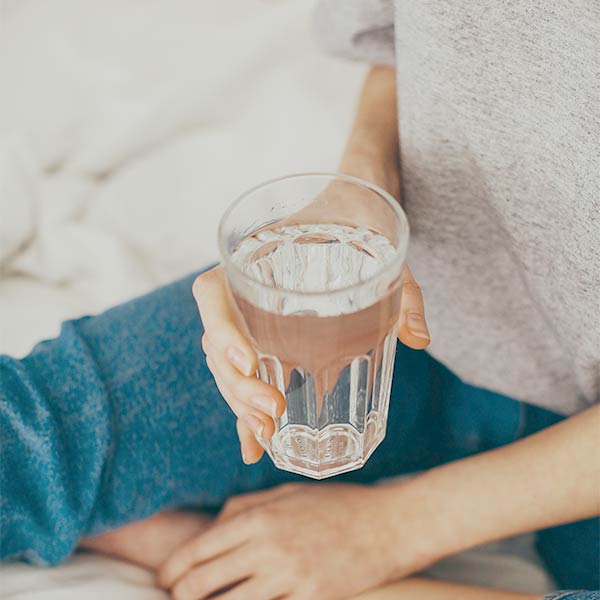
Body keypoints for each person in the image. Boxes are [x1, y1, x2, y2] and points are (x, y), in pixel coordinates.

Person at [1, 1, 599, 599]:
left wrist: (391, 530)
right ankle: (243, 561)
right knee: (23, 438)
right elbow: (404, 44)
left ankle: (219, 558)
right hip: (413, 316)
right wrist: (362, 187)